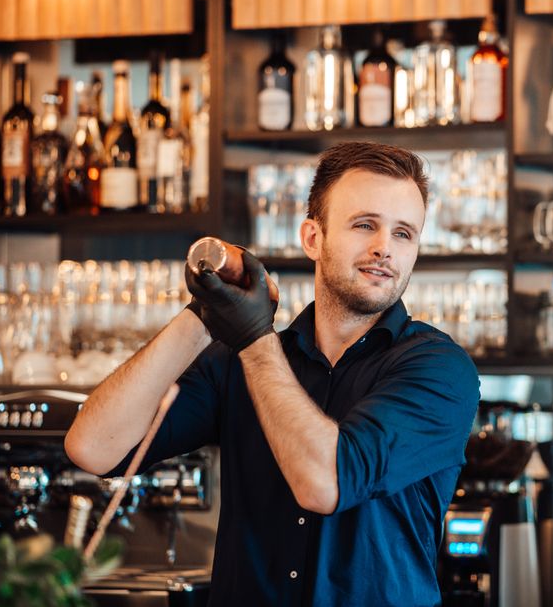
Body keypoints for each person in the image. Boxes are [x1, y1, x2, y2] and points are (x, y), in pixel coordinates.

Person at [65, 141, 480, 607]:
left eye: (404, 233)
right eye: (365, 225)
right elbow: (92, 447)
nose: (385, 248)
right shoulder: (243, 359)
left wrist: (253, 337)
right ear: (312, 238)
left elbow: (325, 483)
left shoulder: (438, 370)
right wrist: (205, 312)